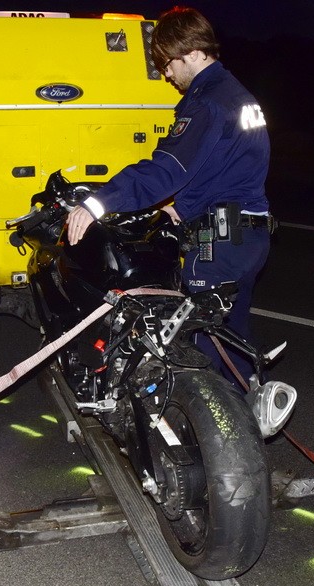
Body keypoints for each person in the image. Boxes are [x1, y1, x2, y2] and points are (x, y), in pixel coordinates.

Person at [67, 5, 272, 383]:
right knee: (231, 332)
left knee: (198, 348)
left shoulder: (207, 102)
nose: (167, 74)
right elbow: (227, 166)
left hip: (219, 240)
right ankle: (251, 398)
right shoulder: (238, 95)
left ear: (193, 53)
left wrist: (99, 203)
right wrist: (184, 204)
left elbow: (166, 169)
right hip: (249, 233)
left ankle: (222, 430)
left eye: (169, 63)